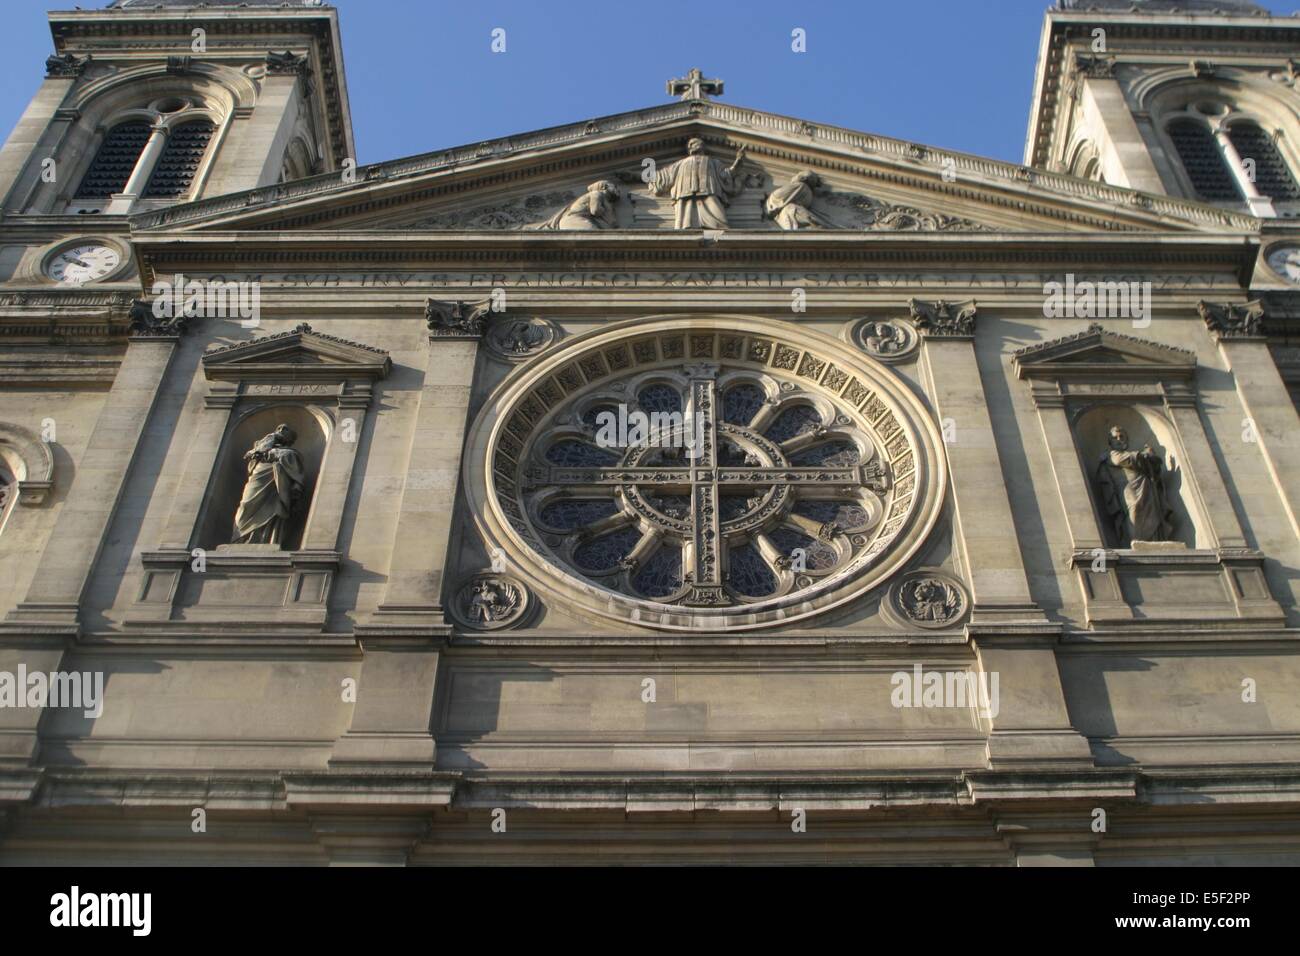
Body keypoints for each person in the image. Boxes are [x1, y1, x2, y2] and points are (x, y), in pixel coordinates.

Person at [233, 423, 306, 545]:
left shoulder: (291, 453)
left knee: (274, 509)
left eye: (285, 429)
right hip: (258, 478)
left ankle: (266, 540)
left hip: (277, 487)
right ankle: (241, 538)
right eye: (279, 428)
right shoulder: (261, 447)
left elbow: (297, 474)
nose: (281, 430)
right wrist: (268, 441)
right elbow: (251, 460)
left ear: (291, 439)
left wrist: (296, 486)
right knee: (245, 505)